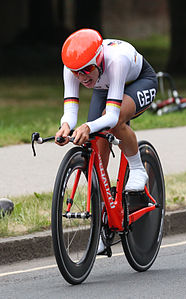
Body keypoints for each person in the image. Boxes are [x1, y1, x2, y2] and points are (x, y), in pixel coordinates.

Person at [55, 28, 158, 254]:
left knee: (114, 122)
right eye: (76, 73)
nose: (82, 78)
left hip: (138, 81)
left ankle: (138, 169)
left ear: (98, 60)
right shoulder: (74, 68)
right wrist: (65, 126)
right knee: (96, 148)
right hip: (105, 87)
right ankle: (103, 221)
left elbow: (110, 117)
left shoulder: (116, 61)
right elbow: (70, 109)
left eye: (87, 70)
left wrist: (87, 126)